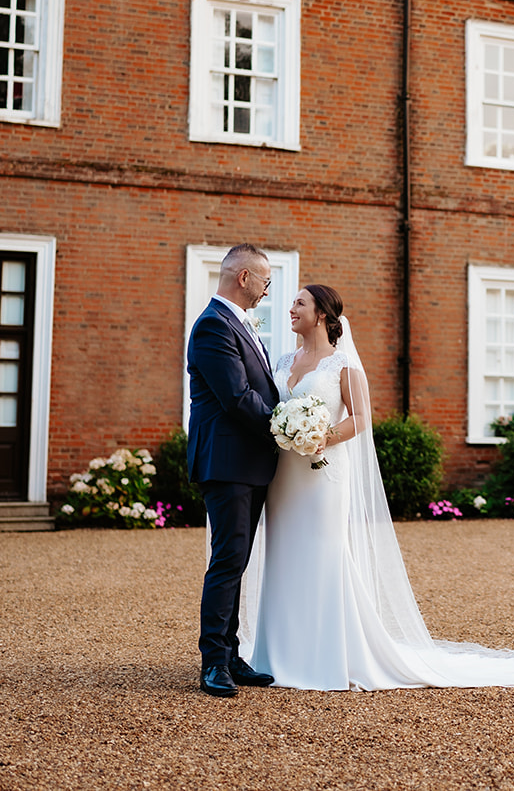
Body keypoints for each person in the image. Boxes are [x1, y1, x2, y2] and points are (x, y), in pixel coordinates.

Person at [240, 283, 514, 690]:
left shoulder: (343, 365)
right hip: (284, 475)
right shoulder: (283, 359)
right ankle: (279, 653)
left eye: (300, 303)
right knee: (283, 554)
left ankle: (326, 656)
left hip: (322, 475)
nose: (291, 309)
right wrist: (287, 431)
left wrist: (320, 436)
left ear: (321, 314)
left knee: (322, 554)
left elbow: (361, 419)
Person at [185, 243, 281, 698]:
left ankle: (231, 653)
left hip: (249, 462)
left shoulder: (240, 324)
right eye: (265, 281)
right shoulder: (212, 326)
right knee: (226, 561)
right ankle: (213, 663)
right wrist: (286, 429)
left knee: (237, 560)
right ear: (244, 278)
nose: (267, 291)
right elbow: (238, 398)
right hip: (227, 462)